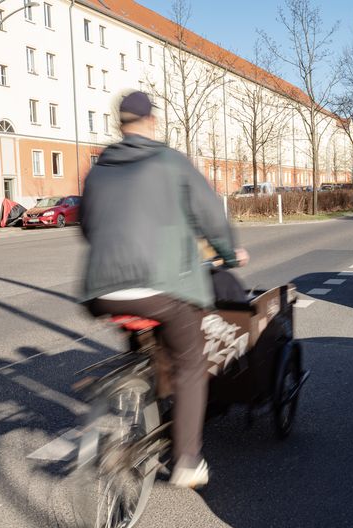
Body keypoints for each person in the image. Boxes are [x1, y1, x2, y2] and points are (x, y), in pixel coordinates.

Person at [79, 91, 248, 489]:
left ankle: (137, 392)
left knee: (145, 339)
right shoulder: (170, 161)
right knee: (191, 363)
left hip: (101, 289)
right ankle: (187, 459)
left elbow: (87, 226)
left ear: (120, 125)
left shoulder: (99, 168)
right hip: (161, 288)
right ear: (151, 122)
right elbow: (209, 215)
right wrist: (230, 252)